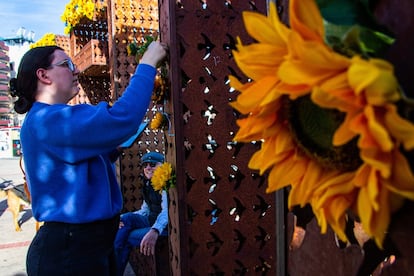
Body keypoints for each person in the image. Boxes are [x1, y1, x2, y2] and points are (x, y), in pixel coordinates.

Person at [10, 41, 168, 276]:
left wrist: (110, 148)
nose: (77, 70)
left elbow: (74, 167)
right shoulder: (48, 120)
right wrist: (147, 63)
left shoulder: (45, 120)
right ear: (43, 75)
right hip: (71, 253)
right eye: (67, 64)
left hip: (84, 247)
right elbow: (122, 118)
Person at [114, 151, 168, 276]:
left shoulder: (166, 183)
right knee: (124, 220)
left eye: (153, 164)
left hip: (163, 227)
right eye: (145, 165)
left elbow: (167, 212)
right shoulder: (149, 184)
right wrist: (120, 218)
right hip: (151, 219)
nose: (148, 168)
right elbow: (145, 210)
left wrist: (155, 230)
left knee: (126, 237)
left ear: (163, 166)